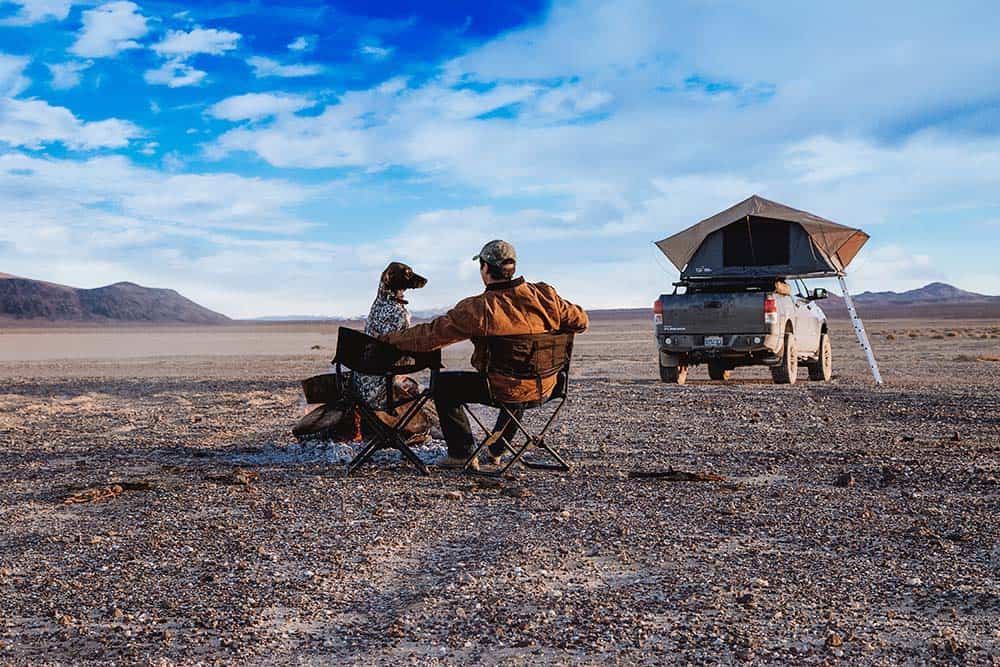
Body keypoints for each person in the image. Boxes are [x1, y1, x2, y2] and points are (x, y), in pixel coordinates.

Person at [381, 240, 589, 469]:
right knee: (520, 374)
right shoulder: (545, 295)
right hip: (546, 385)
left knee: (444, 385)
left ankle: (462, 454)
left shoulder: (480, 308)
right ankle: (496, 449)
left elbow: (431, 335)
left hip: (504, 388)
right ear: (512, 268)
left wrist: (387, 339)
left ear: (485, 268)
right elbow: (581, 320)